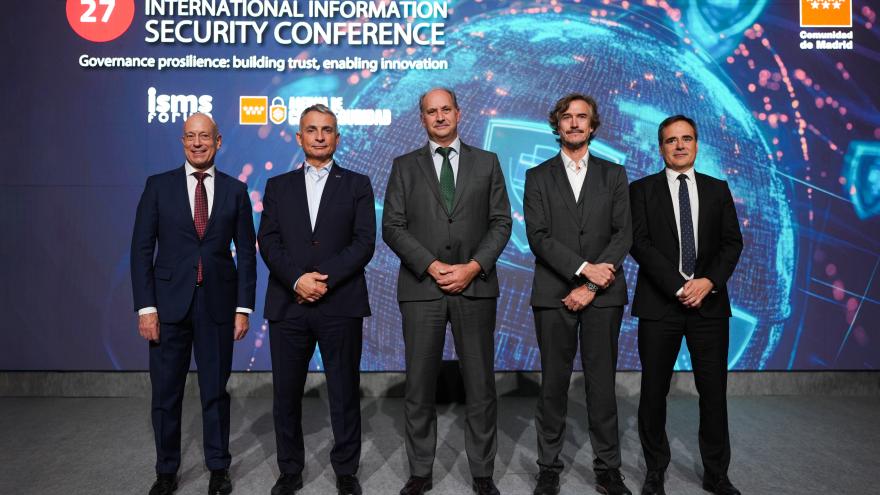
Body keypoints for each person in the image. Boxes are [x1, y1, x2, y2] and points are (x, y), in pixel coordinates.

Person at [382, 87, 511, 495]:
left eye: (445, 110)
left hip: (475, 287)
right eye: (431, 112)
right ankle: (420, 471)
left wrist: (473, 267)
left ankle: (482, 474)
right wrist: (432, 265)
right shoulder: (403, 166)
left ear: (459, 113)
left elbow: (501, 222)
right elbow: (393, 226)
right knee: (419, 385)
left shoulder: (487, 163)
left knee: (480, 385)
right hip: (423, 289)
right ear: (421, 119)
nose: (439, 117)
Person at [131, 113, 257, 495]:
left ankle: (219, 467)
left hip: (218, 307)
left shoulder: (236, 191)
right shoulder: (158, 187)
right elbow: (141, 251)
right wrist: (146, 308)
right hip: (167, 309)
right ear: (182, 141)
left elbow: (247, 256)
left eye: (205, 136)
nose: (197, 143)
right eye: (190, 136)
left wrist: (243, 308)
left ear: (219, 142)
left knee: (215, 392)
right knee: (166, 393)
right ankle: (166, 471)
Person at [258, 104, 375, 495]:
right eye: (312, 129)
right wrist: (296, 280)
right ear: (299, 137)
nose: (320, 136)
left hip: (339, 302)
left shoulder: (358, 184)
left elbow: (363, 243)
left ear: (337, 138)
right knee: (286, 394)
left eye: (327, 129)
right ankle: (289, 470)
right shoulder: (277, 187)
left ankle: (346, 471)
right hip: (289, 303)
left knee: (344, 391)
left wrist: (323, 280)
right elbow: (268, 242)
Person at [523, 93, 633, 495]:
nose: (574, 123)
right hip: (554, 294)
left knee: (601, 384)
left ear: (593, 125)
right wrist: (584, 270)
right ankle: (548, 467)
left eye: (581, 117)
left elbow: (624, 234)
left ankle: (608, 469)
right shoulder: (537, 176)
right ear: (557, 124)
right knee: (553, 383)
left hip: (603, 296)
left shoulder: (614, 174)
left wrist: (590, 285)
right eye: (566, 117)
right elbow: (538, 237)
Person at [629, 115, 743, 495]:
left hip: (709, 306)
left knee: (713, 394)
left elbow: (732, 244)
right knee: (653, 392)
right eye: (670, 140)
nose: (679, 146)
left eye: (686, 139)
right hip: (660, 306)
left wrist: (707, 283)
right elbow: (639, 244)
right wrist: (680, 286)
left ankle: (716, 474)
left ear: (697, 144)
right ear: (660, 147)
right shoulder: (641, 190)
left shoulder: (717, 189)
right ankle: (654, 471)